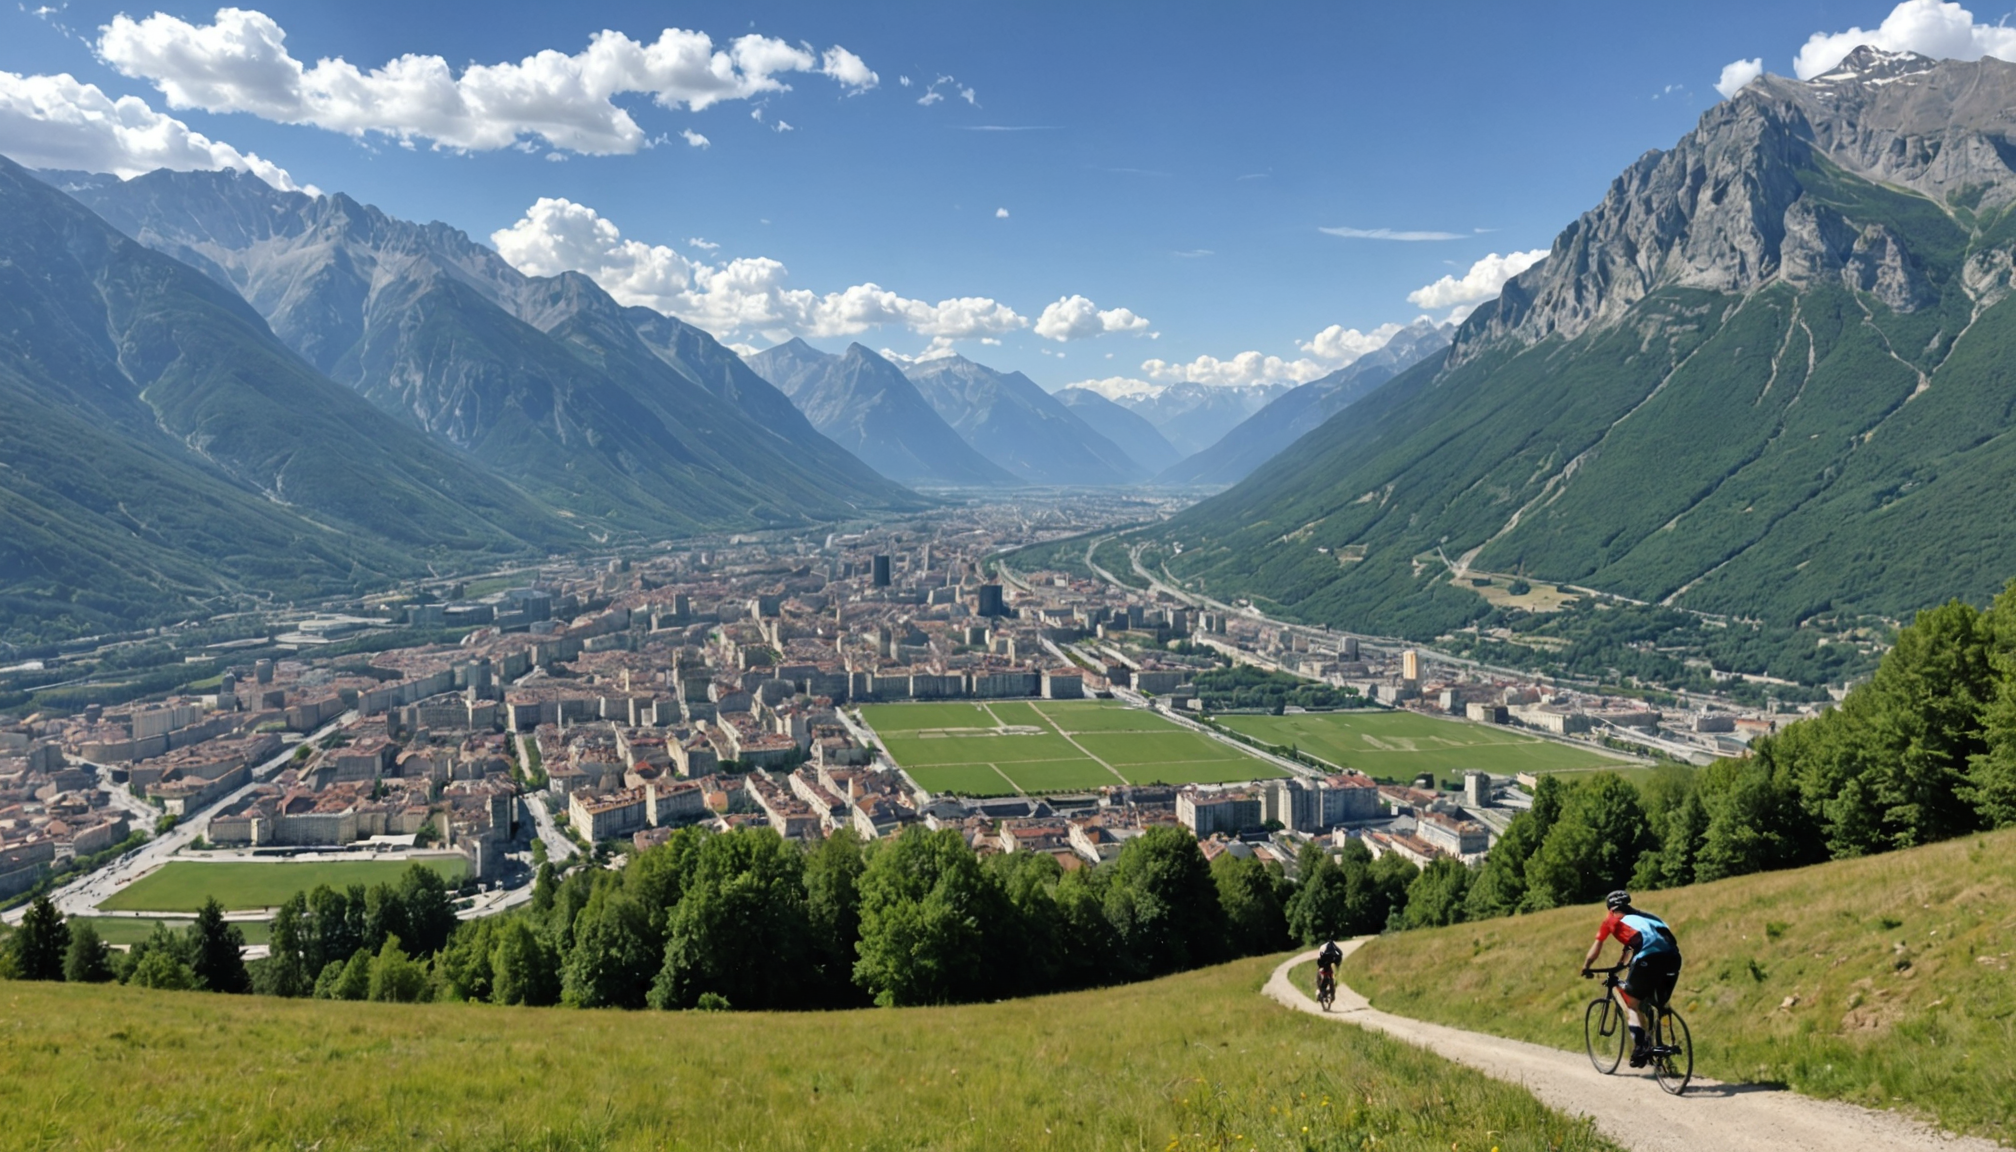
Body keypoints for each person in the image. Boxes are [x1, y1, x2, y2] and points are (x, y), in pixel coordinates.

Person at [1580, 890, 1682, 1067]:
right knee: (1659, 1003)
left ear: (1610, 909)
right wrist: (1622, 963)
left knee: (1632, 1004)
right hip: (1673, 958)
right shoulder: (1649, 917)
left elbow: (1598, 946)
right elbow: (1634, 945)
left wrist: (1586, 966)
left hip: (1648, 958)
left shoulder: (1612, 919)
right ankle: (1665, 1044)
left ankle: (1641, 1047)